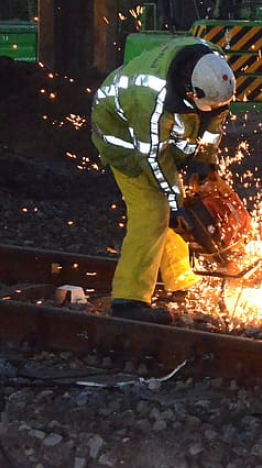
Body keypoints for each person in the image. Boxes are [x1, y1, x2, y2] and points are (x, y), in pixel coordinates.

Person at [91, 36, 236, 323]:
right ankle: (128, 300)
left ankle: (181, 280)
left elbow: (215, 120)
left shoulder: (213, 65)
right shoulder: (152, 104)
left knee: (181, 204)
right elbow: (154, 159)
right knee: (154, 211)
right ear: (191, 94)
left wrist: (205, 161)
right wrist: (175, 202)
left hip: (160, 133)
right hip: (125, 140)